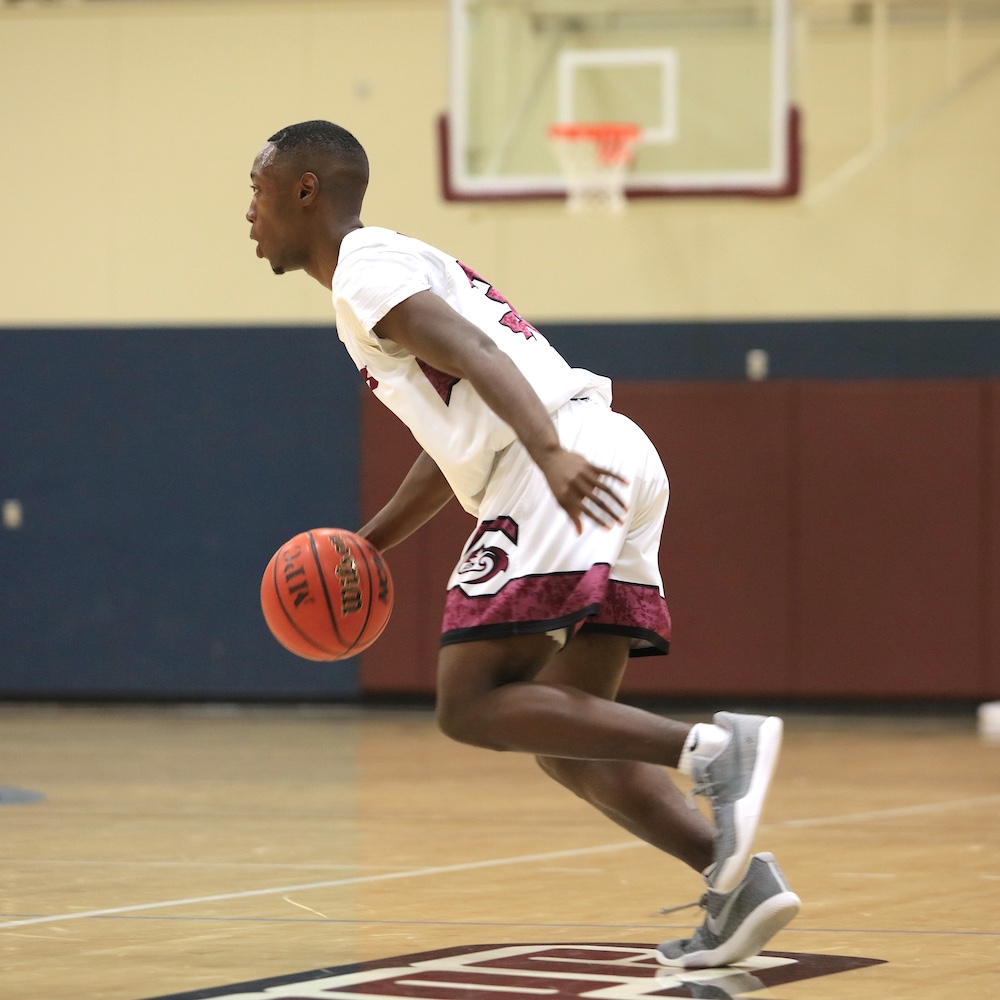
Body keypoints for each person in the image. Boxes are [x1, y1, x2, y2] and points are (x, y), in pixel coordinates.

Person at [247, 119, 800, 968]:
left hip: (556, 460)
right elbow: (449, 446)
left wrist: (547, 454)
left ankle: (716, 749)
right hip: (606, 451)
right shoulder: (389, 266)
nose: (249, 214)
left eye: (257, 191)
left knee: (469, 704)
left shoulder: (364, 271)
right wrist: (369, 546)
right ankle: (736, 885)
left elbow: (470, 350)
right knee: (567, 741)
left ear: (305, 190)